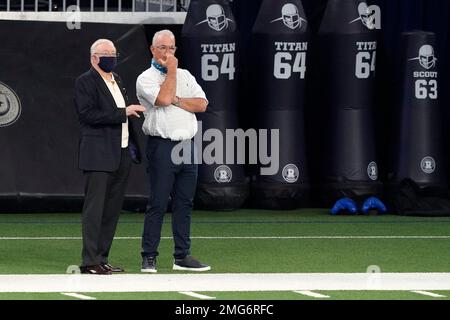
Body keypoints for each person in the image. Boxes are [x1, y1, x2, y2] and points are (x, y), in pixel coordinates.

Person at [136, 30, 210, 273]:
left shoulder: (186, 75)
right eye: (164, 48)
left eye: (172, 48)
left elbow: (202, 104)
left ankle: (182, 255)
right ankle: (149, 256)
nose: (169, 53)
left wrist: (178, 99)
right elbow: (164, 99)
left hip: (187, 146)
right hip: (162, 146)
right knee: (157, 202)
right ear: (153, 50)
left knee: (185, 203)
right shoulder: (145, 78)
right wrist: (171, 75)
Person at [74, 39, 146, 275]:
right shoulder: (85, 81)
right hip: (98, 155)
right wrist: (122, 112)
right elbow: (87, 115)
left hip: (121, 153)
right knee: (94, 210)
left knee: (112, 210)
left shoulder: (118, 80)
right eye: (106, 53)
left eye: (113, 53)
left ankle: (102, 257)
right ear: (94, 57)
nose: (111, 57)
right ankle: (90, 261)